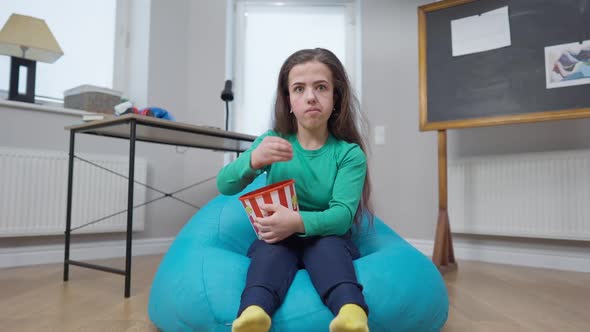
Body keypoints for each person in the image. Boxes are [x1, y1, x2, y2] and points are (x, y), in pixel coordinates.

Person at [217, 48, 373, 332]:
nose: (310, 96)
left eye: (321, 87)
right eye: (299, 89)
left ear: (336, 98)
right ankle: (253, 314)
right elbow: (224, 184)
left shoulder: (349, 154)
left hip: (327, 235)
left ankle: (352, 314)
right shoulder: (271, 141)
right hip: (278, 236)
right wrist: (252, 161)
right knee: (270, 252)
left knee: (328, 247)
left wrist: (297, 222)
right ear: (288, 100)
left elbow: (341, 217)